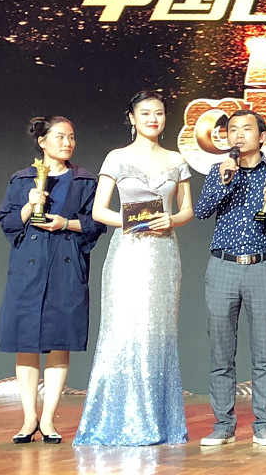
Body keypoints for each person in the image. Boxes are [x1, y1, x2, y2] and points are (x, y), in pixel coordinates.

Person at [74, 91, 194, 446]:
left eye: (159, 113)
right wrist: (135, 221)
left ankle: (160, 423)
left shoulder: (176, 159)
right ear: (131, 117)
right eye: (145, 113)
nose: (153, 119)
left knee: (158, 335)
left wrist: (171, 219)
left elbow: (187, 209)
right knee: (123, 331)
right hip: (127, 253)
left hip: (163, 253)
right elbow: (99, 211)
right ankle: (115, 422)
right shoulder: (117, 157)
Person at [193, 109, 266, 447]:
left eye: (246, 129)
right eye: (232, 130)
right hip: (222, 266)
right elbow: (202, 211)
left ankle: (264, 424)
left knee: (265, 353)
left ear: (261, 136)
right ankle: (223, 425)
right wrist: (224, 181)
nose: (238, 135)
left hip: (261, 267)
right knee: (221, 353)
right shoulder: (219, 170)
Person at [0, 116, 105, 444]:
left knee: (61, 339)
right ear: (42, 141)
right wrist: (29, 206)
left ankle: (48, 418)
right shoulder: (22, 179)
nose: (67, 143)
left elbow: (96, 223)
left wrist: (65, 223)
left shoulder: (85, 180)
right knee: (25, 341)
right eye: (60, 137)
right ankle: (29, 417)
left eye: (71, 137)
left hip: (65, 266)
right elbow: (7, 223)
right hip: (28, 269)